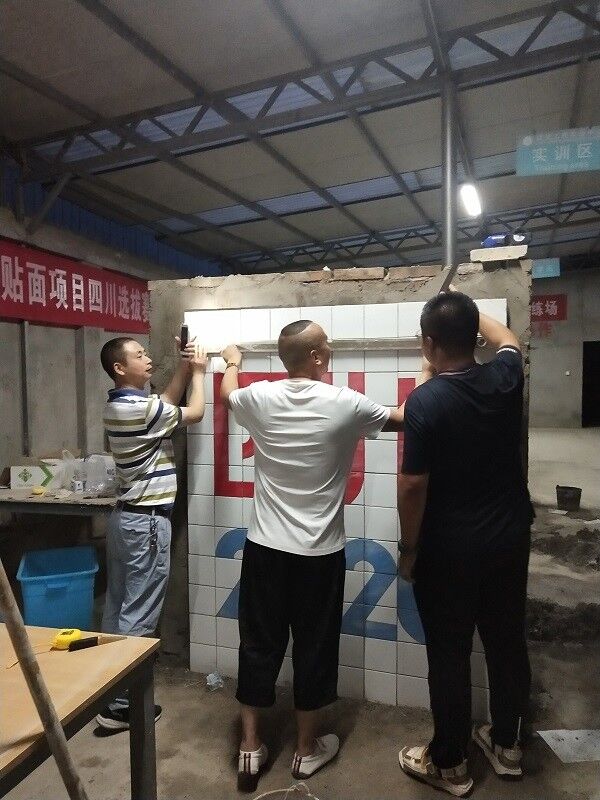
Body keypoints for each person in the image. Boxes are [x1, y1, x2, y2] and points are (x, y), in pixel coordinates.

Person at [220, 320, 406, 792]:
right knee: (315, 645)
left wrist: (232, 362)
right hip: (318, 555)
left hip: (264, 549)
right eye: (328, 344)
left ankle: (250, 747)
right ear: (318, 357)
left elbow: (226, 395)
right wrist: (429, 373)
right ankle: (305, 751)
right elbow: (404, 417)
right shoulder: (346, 403)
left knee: (257, 643)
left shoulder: (258, 397)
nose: (333, 348)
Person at [397, 290, 533, 796]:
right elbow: (508, 338)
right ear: (472, 337)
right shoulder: (505, 377)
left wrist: (409, 550)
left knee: (450, 655)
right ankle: (508, 746)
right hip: (508, 540)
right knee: (506, 643)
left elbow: (413, 485)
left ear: (429, 344)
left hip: (448, 551)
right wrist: (470, 314)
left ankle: (451, 764)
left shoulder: (424, 401)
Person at [96, 335, 208, 731]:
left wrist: (183, 364)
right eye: (139, 355)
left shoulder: (124, 405)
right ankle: (122, 706)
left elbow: (167, 402)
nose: (147, 359)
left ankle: (108, 695)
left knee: (117, 609)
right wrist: (200, 372)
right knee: (139, 615)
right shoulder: (141, 410)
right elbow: (194, 412)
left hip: (126, 520)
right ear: (119, 368)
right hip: (146, 524)